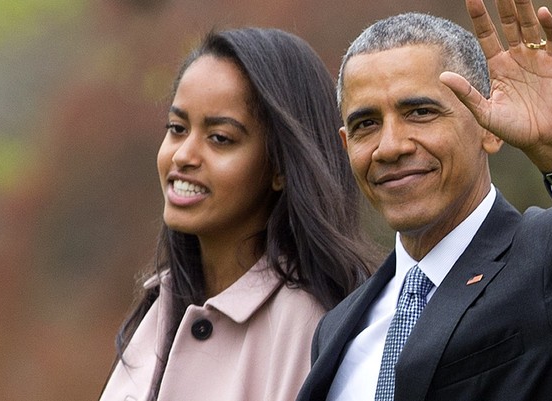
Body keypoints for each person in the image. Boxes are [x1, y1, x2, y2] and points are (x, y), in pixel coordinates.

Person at [296, 0, 552, 400]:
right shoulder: (338, 328)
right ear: (347, 145)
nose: (390, 146)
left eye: (420, 112)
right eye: (366, 124)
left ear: (488, 127)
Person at [100, 28, 375, 401]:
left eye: (220, 138)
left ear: (281, 166)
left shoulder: (309, 326)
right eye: (177, 129)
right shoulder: (162, 302)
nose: (183, 155)